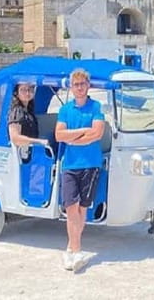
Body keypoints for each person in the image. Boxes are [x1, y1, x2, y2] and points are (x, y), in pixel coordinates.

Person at [55, 69, 105, 272]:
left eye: (83, 84)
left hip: (91, 164)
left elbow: (98, 133)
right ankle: (76, 250)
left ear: (88, 85)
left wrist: (73, 138)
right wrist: (83, 132)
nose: (80, 87)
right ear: (72, 87)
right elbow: (59, 135)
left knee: (82, 208)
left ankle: (71, 249)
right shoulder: (65, 110)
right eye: (76, 85)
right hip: (70, 165)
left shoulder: (96, 106)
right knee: (70, 207)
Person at [7, 82, 48, 152]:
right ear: (16, 93)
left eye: (30, 89)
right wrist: (39, 141)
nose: (27, 93)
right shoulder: (17, 111)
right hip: (22, 154)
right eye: (23, 90)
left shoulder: (29, 111)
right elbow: (15, 138)